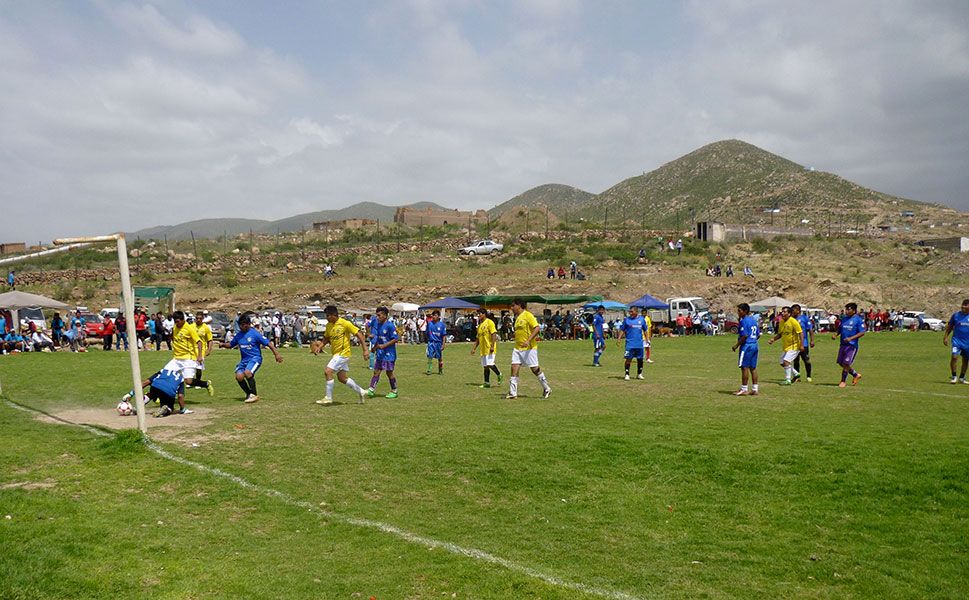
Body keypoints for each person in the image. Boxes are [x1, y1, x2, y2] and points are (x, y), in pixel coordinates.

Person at [222, 313, 283, 403]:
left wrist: (276, 354)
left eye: (243, 324)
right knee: (239, 377)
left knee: (248, 373)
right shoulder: (239, 335)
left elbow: (268, 343)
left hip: (255, 358)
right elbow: (231, 345)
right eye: (240, 325)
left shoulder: (254, 334)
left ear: (248, 324)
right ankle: (249, 393)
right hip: (244, 360)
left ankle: (254, 394)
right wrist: (223, 344)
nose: (241, 327)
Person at [315, 305, 369, 405]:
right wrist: (320, 346)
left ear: (334, 315)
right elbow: (327, 337)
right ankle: (361, 391)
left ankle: (328, 397)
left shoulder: (345, 323)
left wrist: (365, 350)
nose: (326, 318)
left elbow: (359, 334)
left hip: (343, 353)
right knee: (342, 378)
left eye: (327, 315)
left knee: (328, 372)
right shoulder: (329, 325)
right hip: (336, 354)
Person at [506, 298, 551, 399]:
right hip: (518, 348)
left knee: (535, 369)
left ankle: (546, 387)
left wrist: (528, 341)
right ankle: (513, 393)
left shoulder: (528, 315)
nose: (511, 308)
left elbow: (537, 328)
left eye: (513, 306)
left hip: (529, 348)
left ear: (519, 305)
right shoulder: (517, 317)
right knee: (514, 367)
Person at [165, 310, 204, 414]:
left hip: (188, 358)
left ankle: (205, 384)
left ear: (183, 320)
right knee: (165, 375)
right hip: (176, 358)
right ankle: (161, 396)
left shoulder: (189, 328)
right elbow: (173, 337)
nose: (176, 323)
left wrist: (200, 355)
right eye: (175, 321)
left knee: (189, 382)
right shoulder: (175, 327)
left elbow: (199, 342)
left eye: (178, 321)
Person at [366, 307, 400, 399]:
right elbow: (379, 338)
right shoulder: (378, 325)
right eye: (377, 315)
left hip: (389, 353)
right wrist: (374, 348)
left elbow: (395, 339)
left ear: (385, 316)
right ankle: (371, 389)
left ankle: (394, 390)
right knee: (376, 371)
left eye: (379, 315)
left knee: (389, 373)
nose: (377, 317)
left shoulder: (390, 325)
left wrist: (384, 346)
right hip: (380, 352)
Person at [832, 302, 865, 388]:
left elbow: (862, 332)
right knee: (841, 363)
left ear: (854, 310)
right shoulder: (844, 319)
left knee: (846, 363)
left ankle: (843, 381)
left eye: (848, 309)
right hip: (842, 344)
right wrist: (835, 335)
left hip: (851, 345)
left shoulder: (858, 320)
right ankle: (855, 374)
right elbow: (839, 329)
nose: (846, 311)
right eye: (846, 309)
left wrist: (851, 338)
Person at [767, 306, 803, 385]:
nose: (782, 313)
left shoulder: (793, 321)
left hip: (794, 345)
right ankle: (796, 373)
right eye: (782, 312)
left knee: (786, 361)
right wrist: (773, 339)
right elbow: (780, 334)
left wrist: (802, 345)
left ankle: (788, 380)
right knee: (782, 362)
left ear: (789, 313)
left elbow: (800, 333)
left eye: (784, 312)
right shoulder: (781, 322)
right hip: (786, 346)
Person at [731, 303, 760, 395]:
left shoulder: (744, 321)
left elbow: (744, 335)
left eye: (739, 311)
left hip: (747, 346)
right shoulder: (753, 320)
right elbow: (758, 335)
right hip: (754, 345)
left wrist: (736, 345)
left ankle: (744, 389)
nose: (738, 313)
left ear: (745, 311)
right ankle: (755, 389)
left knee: (744, 367)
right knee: (753, 367)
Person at [187, 311, 216, 396]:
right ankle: (191, 381)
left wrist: (209, 350)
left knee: (199, 368)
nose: (198, 320)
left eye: (200, 318)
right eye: (197, 318)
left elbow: (210, 340)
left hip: (201, 351)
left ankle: (198, 381)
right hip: (191, 350)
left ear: (203, 319)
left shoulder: (206, 328)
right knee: (190, 366)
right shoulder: (191, 326)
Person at [617, 305, 648, 380]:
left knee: (640, 359)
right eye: (629, 311)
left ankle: (639, 374)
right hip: (630, 343)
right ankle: (627, 374)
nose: (630, 313)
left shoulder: (641, 320)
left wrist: (647, 339)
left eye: (632, 311)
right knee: (628, 359)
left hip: (639, 343)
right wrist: (619, 338)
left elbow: (645, 330)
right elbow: (622, 330)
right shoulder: (626, 320)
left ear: (636, 312)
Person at [942, 298, 969, 384]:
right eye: (962, 304)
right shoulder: (956, 315)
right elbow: (950, 327)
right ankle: (954, 376)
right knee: (954, 357)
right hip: (956, 341)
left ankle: (962, 377)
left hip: (967, 343)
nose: (962, 306)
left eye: (965, 305)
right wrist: (945, 337)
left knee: (965, 359)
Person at [791, 304, 815, 383]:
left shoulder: (804, 318)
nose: (792, 312)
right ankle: (797, 377)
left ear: (798, 311)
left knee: (806, 360)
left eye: (793, 310)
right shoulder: (791, 319)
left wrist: (812, 340)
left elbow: (810, 330)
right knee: (796, 361)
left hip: (804, 343)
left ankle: (809, 376)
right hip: (794, 344)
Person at [425, 310, 447, 375]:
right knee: (430, 356)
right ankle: (429, 370)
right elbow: (427, 333)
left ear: (438, 316)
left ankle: (440, 370)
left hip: (438, 343)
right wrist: (428, 340)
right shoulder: (429, 324)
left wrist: (443, 344)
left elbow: (444, 336)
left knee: (439, 357)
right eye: (433, 315)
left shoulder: (442, 325)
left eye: (435, 315)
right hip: (431, 342)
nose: (434, 316)